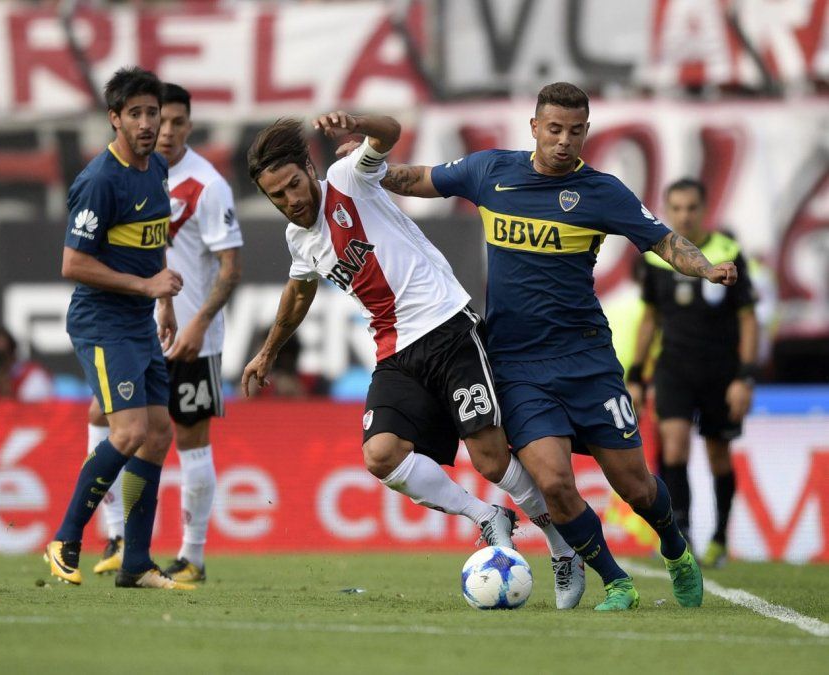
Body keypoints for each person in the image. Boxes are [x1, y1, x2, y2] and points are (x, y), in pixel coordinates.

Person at [378, 82, 739, 611]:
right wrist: (365, 169)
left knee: (636, 487)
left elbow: (664, 240)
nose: (564, 141)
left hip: (587, 360)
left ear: (586, 131)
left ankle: (675, 548)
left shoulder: (602, 192)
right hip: (517, 364)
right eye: (553, 129)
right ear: (534, 128)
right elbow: (418, 178)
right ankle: (616, 582)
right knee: (553, 481)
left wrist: (704, 268)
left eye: (575, 131)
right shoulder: (490, 172)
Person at [242, 113, 586, 610]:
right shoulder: (300, 239)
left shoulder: (347, 179)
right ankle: (487, 517)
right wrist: (268, 350)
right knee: (380, 455)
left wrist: (356, 122)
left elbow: (389, 133)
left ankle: (562, 547)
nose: (291, 200)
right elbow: (299, 292)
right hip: (395, 351)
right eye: (277, 196)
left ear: (309, 170)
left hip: (448, 329)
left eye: (294, 184)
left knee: (490, 460)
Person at [88, 82, 244, 583]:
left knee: (190, 440)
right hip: (138, 329)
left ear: (189, 125)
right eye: (160, 119)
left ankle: (192, 555)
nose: (166, 130)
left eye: (177, 122)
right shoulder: (133, 174)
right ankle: (117, 537)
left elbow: (231, 269)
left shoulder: (208, 184)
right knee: (103, 416)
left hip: (194, 337)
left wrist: (199, 323)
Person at [45, 66, 193, 590]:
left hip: (140, 321)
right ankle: (66, 539)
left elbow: (152, 240)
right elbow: (73, 264)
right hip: (103, 322)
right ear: (115, 119)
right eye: (136, 114)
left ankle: (135, 563)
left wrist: (163, 301)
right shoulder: (99, 181)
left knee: (158, 435)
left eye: (153, 113)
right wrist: (147, 287)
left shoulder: (157, 168)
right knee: (129, 432)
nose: (148, 123)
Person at [626, 178, 758, 569]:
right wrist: (636, 374)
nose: (684, 216)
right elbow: (649, 318)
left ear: (704, 209)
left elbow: (748, 319)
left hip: (721, 371)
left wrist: (744, 376)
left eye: (691, 208)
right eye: (677, 208)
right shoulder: (656, 257)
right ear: (667, 210)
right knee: (674, 445)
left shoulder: (728, 253)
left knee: (719, 455)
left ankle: (720, 538)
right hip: (673, 368)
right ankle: (681, 535)